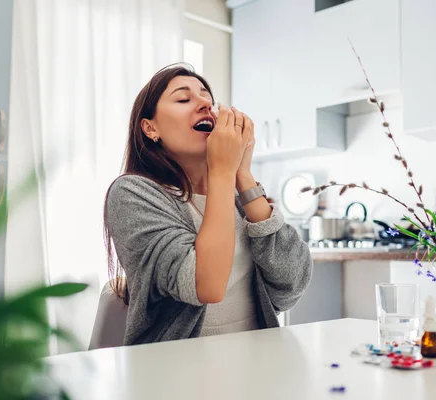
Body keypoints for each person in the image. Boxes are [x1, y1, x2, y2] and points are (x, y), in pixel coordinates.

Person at [103, 64, 313, 345]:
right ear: (150, 128)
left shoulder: (237, 198)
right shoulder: (133, 193)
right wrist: (224, 172)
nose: (205, 103)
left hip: (258, 361)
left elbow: (292, 286)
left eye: (207, 98)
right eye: (183, 99)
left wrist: (243, 176)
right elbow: (206, 286)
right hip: (179, 370)